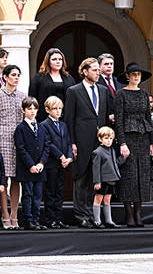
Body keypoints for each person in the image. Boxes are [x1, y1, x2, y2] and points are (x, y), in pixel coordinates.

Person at [64, 57, 110, 229]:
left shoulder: (103, 91)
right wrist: (72, 143)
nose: (98, 72)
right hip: (81, 141)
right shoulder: (73, 91)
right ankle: (81, 215)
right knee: (81, 178)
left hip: (100, 142)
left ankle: (93, 215)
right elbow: (69, 119)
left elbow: (104, 117)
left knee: (96, 178)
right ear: (85, 71)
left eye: (99, 69)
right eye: (94, 70)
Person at [114, 62, 153, 227]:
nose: (136, 77)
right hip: (128, 139)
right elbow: (119, 120)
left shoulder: (145, 94)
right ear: (127, 76)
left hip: (144, 138)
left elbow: (148, 118)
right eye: (133, 74)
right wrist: (122, 142)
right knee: (128, 176)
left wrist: (152, 142)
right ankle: (129, 214)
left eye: (138, 74)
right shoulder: (121, 94)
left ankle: (139, 213)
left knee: (142, 177)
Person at [0, 64, 25, 230]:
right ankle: (4, 214)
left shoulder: (23, 96)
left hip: (18, 139)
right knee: (3, 178)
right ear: (5, 77)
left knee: (17, 178)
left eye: (18, 75)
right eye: (13, 75)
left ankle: (14, 214)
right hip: (2, 139)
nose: (16, 78)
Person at [13, 97, 49, 230]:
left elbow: (47, 146)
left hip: (39, 167)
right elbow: (20, 149)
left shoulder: (42, 128)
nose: (32, 111)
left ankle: (36, 219)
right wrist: (31, 165)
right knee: (27, 194)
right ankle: (28, 220)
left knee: (38, 195)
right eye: (29, 109)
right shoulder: (20, 128)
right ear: (23, 110)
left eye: (34, 109)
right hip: (27, 168)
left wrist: (41, 163)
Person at [40, 96, 73, 229]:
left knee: (59, 192)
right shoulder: (44, 125)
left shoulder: (63, 125)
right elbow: (48, 143)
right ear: (48, 110)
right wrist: (61, 156)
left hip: (63, 164)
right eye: (55, 109)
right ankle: (50, 219)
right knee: (50, 192)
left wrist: (69, 157)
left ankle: (58, 219)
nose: (58, 111)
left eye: (60, 109)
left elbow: (69, 142)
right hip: (52, 163)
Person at [28, 48, 76, 122]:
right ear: (48, 62)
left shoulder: (68, 78)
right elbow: (32, 99)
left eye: (60, 59)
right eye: (54, 59)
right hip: (44, 119)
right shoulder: (38, 78)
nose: (58, 62)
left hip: (65, 119)